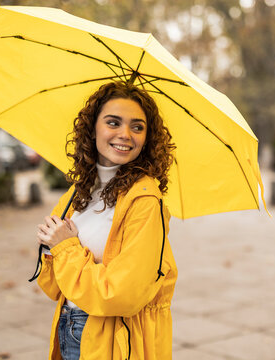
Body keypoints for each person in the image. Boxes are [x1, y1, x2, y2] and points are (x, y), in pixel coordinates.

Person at [35, 81, 178, 360]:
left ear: (147, 138)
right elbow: (52, 285)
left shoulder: (145, 201)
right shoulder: (79, 191)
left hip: (114, 339)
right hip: (68, 326)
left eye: (137, 127)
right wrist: (51, 243)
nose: (125, 134)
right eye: (113, 123)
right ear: (93, 128)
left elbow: (122, 295)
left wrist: (65, 247)